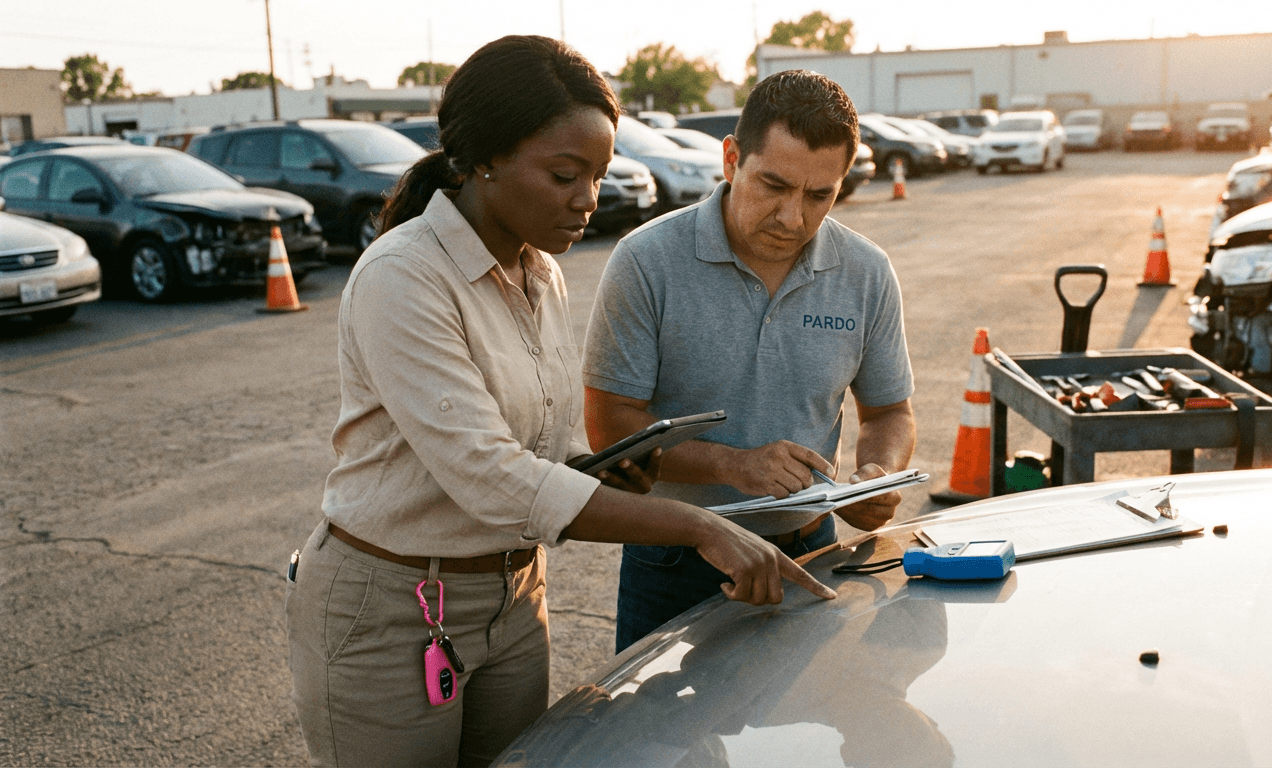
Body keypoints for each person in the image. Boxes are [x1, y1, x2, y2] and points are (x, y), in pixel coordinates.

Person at [283, 37, 834, 768]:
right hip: (387, 609)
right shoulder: (403, 276)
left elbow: (528, 451)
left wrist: (594, 469)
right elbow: (486, 475)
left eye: (600, 176)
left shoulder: (541, 272)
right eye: (565, 175)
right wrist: (693, 524)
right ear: (484, 158)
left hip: (511, 599)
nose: (588, 200)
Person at [583, 69, 917, 653]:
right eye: (774, 185)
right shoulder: (646, 262)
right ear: (731, 159)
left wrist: (878, 474)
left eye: (819, 196)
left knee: (797, 734)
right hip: (675, 559)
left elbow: (890, 412)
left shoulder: (866, 272)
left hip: (811, 547)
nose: (793, 217)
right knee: (658, 739)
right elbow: (610, 424)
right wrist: (730, 465)